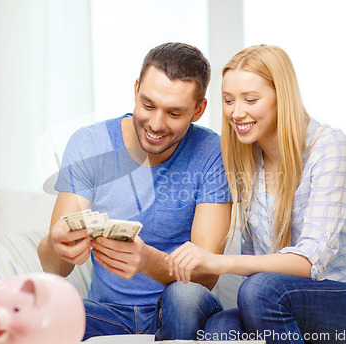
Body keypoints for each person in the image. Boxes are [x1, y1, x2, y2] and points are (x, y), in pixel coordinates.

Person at [166, 44, 346, 344]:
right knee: (219, 329)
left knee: (258, 291)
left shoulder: (330, 148)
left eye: (250, 99)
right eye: (228, 100)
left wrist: (217, 261)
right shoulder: (246, 161)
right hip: (295, 301)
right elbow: (261, 266)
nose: (236, 112)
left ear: (283, 97)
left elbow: (308, 263)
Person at [37, 42, 232, 341]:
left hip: (177, 310)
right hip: (108, 313)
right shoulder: (90, 143)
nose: (155, 124)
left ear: (199, 110)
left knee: (184, 298)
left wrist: (146, 262)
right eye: (148, 105)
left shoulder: (211, 152)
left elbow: (206, 275)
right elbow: (56, 267)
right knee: (47, 309)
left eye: (174, 113)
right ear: (136, 89)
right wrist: (57, 245)